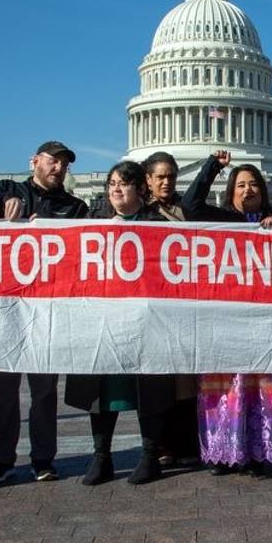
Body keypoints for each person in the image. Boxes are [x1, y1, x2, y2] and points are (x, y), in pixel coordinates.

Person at [0, 141, 89, 484]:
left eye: (64, 164)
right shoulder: (9, 190)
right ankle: (2, 458)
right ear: (34, 161)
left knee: (44, 393)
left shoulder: (74, 208)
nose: (59, 168)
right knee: (1, 391)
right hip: (4, 310)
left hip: (46, 312)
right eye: (53, 161)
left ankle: (43, 459)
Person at [182, 150, 272, 475]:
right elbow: (189, 206)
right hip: (227, 317)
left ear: (262, 190)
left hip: (267, 319)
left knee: (263, 386)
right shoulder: (219, 220)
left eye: (253, 185)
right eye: (241, 186)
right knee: (229, 386)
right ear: (231, 191)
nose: (248, 191)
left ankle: (263, 451)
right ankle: (225, 453)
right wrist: (210, 167)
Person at [65, 161, 178, 485]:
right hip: (105, 321)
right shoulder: (94, 224)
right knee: (101, 390)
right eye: (112, 183)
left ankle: (148, 455)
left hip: (146, 323)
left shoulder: (157, 224)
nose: (115, 189)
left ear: (140, 188)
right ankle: (102, 456)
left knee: (149, 388)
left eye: (123, 184)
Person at [140, 151, 199, 466]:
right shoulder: (140, 213)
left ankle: (187, 442)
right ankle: (159, 444)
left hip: (186, 305)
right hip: (155, 306)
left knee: (187, 379)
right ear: (147, 179)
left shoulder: (188, 209)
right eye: (160, 176)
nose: (166, 182)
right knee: (159, 379)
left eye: (171, 176)